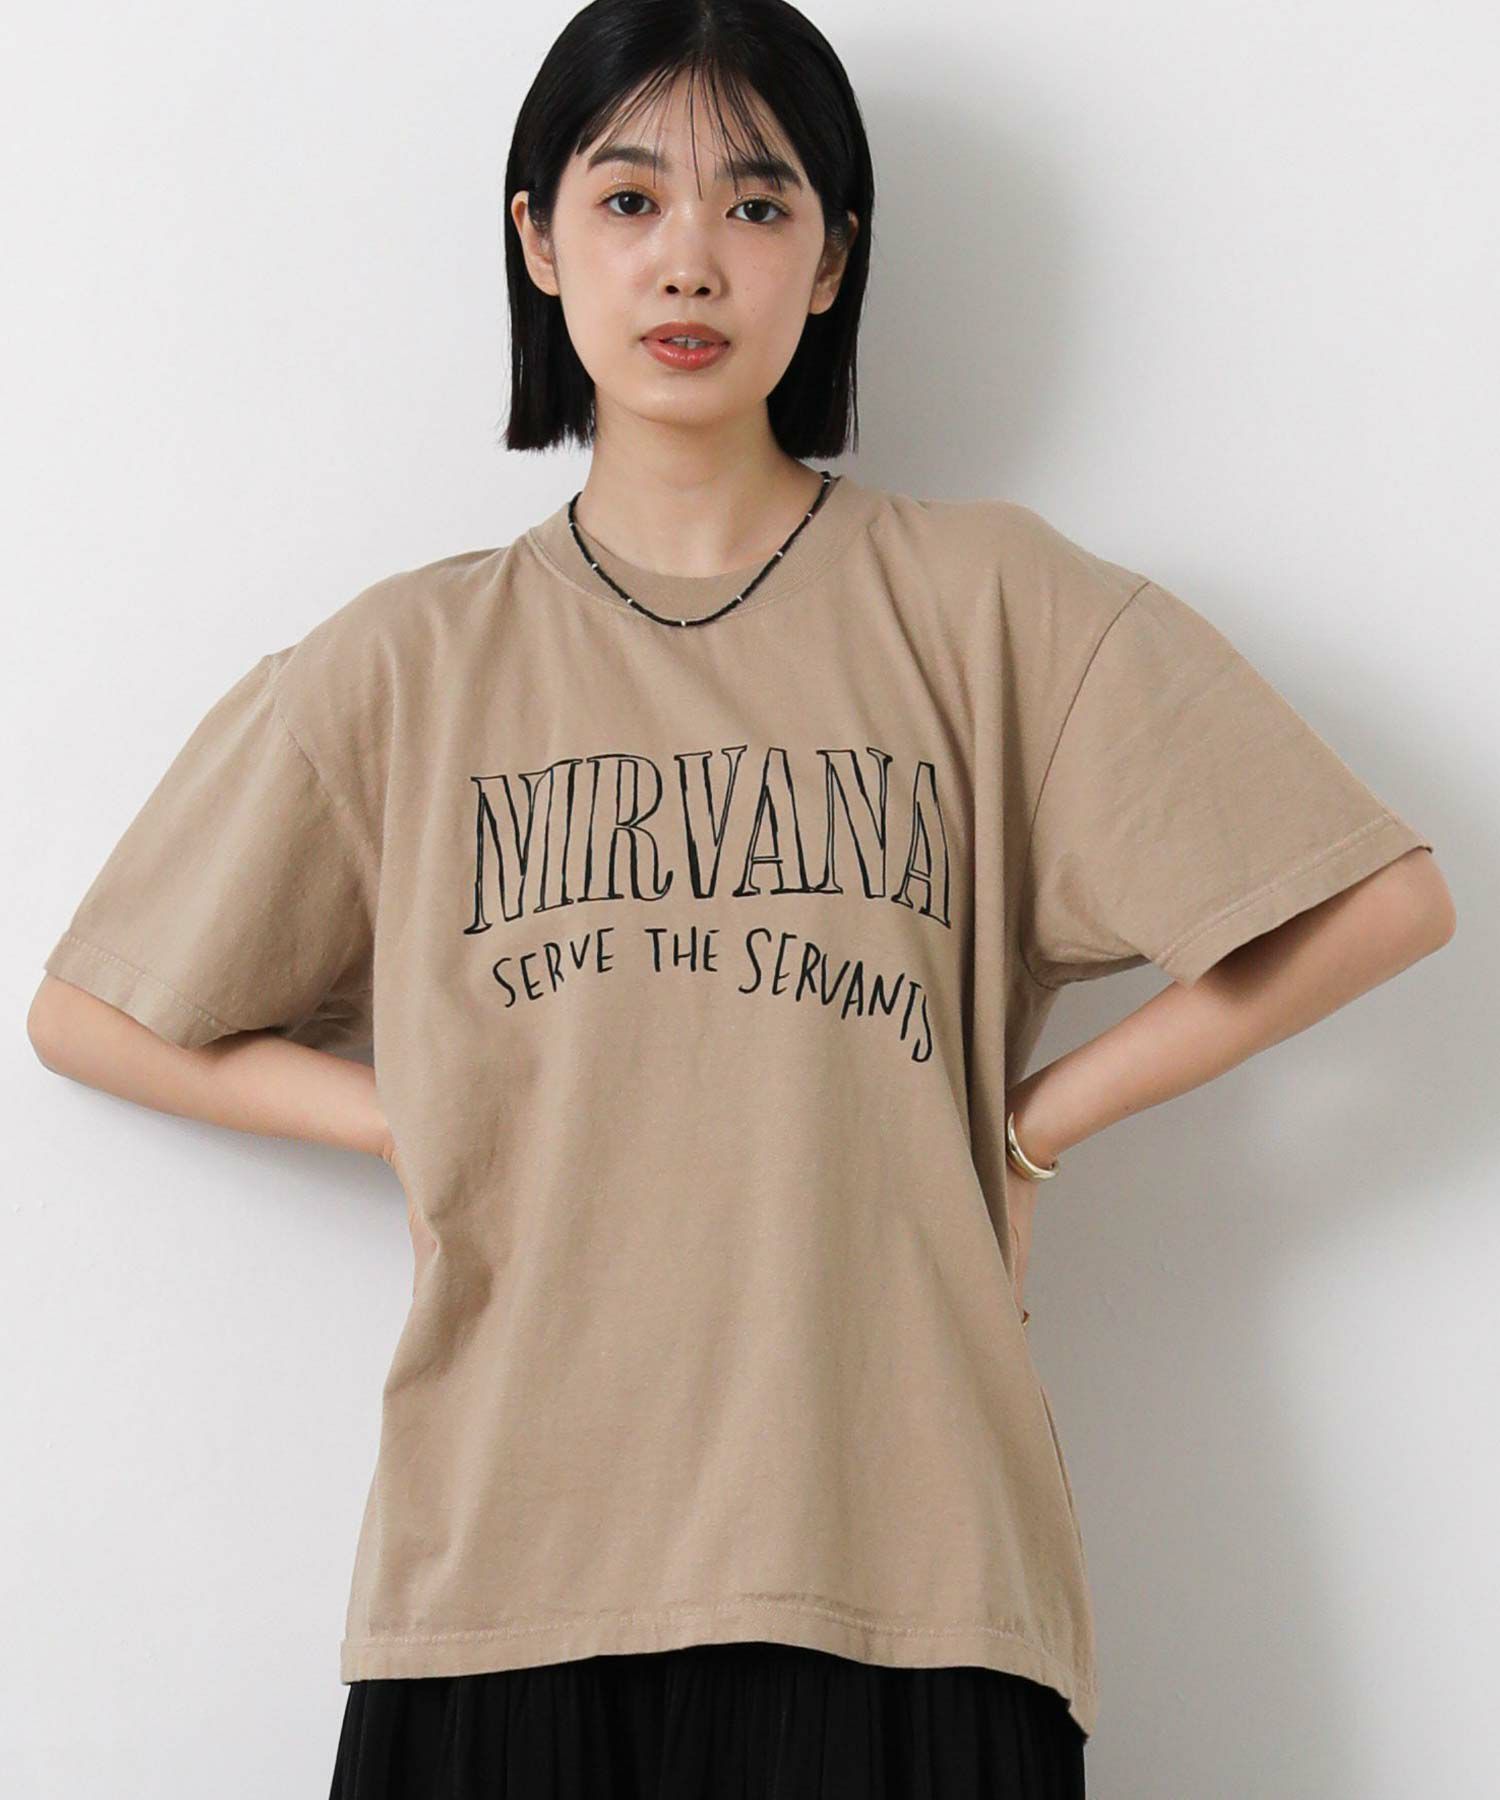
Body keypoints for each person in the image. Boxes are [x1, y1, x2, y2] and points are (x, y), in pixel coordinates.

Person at [27, 2, 1456, 1795]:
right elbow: (94, 1012)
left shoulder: (989, 606)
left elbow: (1375, 904)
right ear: (540, 240)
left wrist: (1026, 1131)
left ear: (832, 259)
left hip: (911, 1568)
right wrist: (410, 1118)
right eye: (629, 200)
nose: (690, 257)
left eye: (759, 204)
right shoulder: (408, 662)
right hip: (508, 1574)